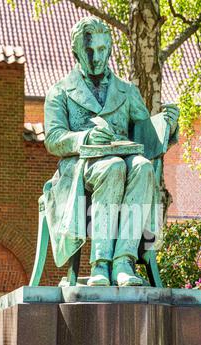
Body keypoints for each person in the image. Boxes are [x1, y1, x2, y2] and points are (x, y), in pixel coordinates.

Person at [44, 16, 179, 287]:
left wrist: (167, 124)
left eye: (102, 50)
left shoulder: (127, 90)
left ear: (110, 50)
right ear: (76, 52)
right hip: (80, 168)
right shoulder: (59, 91)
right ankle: (100, 264)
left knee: (141, 166)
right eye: (89, 51)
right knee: (113, 167)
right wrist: (85, 137)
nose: (96, 58)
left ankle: (123, 261)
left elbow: (145, 136)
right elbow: (53, 138)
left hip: (125, 161)